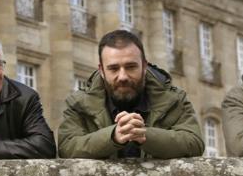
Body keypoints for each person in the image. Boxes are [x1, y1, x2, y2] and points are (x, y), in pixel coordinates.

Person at [59, 29, 203, 159]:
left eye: (131, 67)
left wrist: (145, 135)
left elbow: (194, 143)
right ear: (101, 70)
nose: (123, 76)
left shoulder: (174, 99)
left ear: (144, 66)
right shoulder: (77, 103)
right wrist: (113, 136)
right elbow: (67, 147)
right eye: (114, 69)